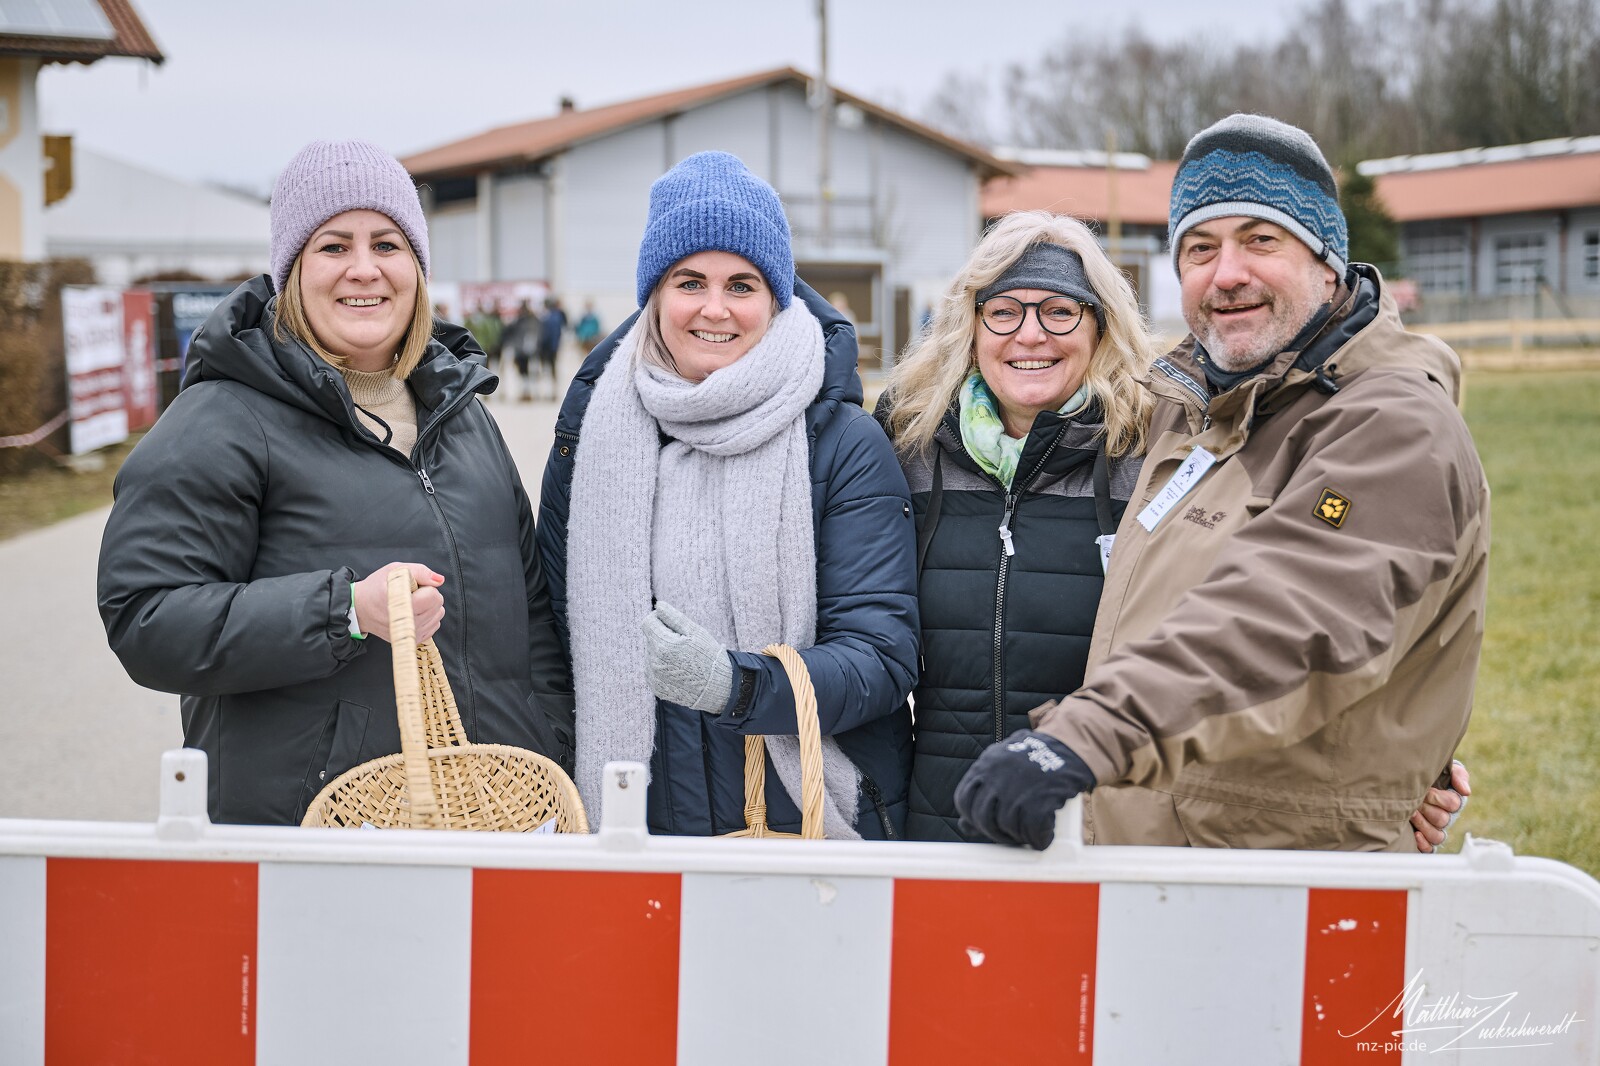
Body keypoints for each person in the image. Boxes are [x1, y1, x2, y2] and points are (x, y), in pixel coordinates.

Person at [955, 115, 1489, 852]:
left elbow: (1296, 615)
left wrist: (1085, 738)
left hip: (1285, 878)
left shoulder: (1391, 424)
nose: (1227, 273)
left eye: (1260, 240)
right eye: (1200, 248)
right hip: (1167, 865)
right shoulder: (1198, 409)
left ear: (1327, 262)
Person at [97, 140, 573, 825]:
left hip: (492, 820)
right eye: (333, 246)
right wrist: (345, 612)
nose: (364, 269)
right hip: (315, 831)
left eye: (387, 244)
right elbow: (147, 617)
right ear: (292, 270)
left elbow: (532, 613)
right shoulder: (222, 419)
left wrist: (548, 738)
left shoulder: (462, 413)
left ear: (417, 267)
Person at [536, 151, 918, 838]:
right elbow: (553, 642)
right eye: (690, 282)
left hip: (800, 823)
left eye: (742, 284)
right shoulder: (590, 438)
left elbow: (881, 657)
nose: (715, 309)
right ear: (655, 295)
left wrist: (737, 686)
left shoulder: (842, 444)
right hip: (634, 824)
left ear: (776, 297)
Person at [878, 211, 1153, 841]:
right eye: (1003, 311)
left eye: (1059, 311)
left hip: (1096, 832)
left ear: (1100, 326)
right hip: (936, 831)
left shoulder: (1148, 459)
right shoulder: (909, 450)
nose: (1031, 335)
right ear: (970, 328)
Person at [504, 299, 541, 402]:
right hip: (523, 351)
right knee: (524, 373)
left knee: (529, 372)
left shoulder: (529, 321)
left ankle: (529, 392)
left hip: (528, 351)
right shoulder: (525, 321)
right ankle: (526, 392)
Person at [536, 295, 568, 399]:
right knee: (550, 370)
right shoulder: (555, 316)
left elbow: (548, 335)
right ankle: (551, 392)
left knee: (547, 370)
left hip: (548, 348)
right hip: (551, 347)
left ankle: (551, 392)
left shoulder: (550, 317)